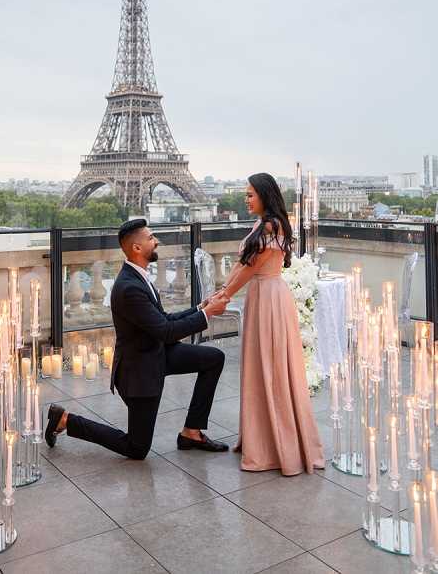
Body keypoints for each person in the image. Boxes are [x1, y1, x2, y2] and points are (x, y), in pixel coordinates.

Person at [44, 218, 230, 459]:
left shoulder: (139, 277)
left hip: (156, 353)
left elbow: (162, 320)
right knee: (137, 448)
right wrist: (208, 314)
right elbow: (166, 331)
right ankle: (66, 420)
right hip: (139, 371)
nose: (156, 241)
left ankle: (191, 432)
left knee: (213, 358)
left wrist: (199, 308)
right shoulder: (129, 288)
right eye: (151, 238)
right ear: (137, 248)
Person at [214, 173, 325, 475]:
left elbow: (249, 269)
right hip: (265, 297)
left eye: (250, 194)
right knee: (266, 367)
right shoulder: (263, 224)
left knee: (270, 368)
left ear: (264, 194)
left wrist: (223, 296)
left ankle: (275, 447)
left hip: (269, 299)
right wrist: (221, 292)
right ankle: (264, 439)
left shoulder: (270, 226)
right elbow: (242, 266)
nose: (246, 199)